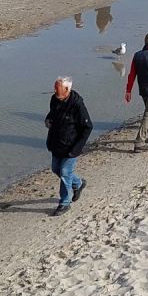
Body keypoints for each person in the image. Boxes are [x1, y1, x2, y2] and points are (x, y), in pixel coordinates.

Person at [44, 77, 92, 215]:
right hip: (56, 142)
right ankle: (78, 183)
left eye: (57, 88)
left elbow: (88, 126)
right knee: (56, 169)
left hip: (71, 146)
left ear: (67, 89)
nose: (54, 90)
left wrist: (77, 148)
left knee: (65, 173)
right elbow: (52, 113)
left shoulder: (78, 105)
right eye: (54, 87)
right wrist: (48, 120)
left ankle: (65, 202)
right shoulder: (54, 99)